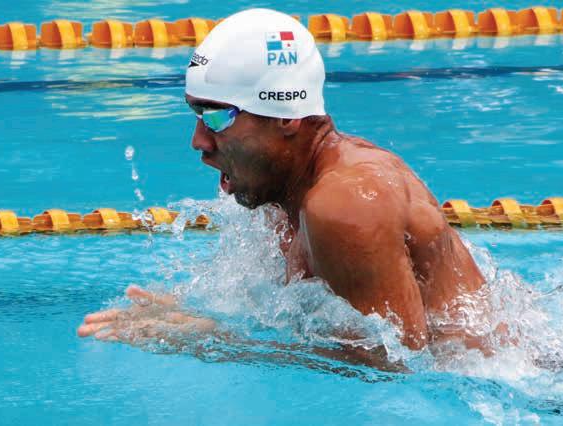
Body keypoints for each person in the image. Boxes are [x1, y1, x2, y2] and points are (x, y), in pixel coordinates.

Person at [77, 9, 490, 352]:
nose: (198, 141)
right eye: (196, 114)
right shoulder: (284, 191)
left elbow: (396, 365)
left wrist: (217, 341)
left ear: (286, 117)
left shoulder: (345, 202)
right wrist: (195, 314)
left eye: (216, 116)